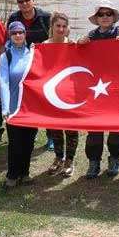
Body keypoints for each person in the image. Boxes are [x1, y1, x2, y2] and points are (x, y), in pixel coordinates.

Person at [77, 1, 119, 178]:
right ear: (97, 18)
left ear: (113, 16)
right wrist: (79, 44)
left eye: (108, 14)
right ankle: (93, 162)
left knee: (116, 127)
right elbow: (76, 56)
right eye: (101, 14)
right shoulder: (91, 36)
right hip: (96, 89)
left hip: (117, 89)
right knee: (94, 128)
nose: (105, 17)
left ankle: (114, 158)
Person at [6, 0, 52, 150]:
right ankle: (24, 124)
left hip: (44, 63)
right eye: (21, 1)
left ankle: (51, 135)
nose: (24, 4)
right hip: (23, 61)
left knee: (46, 97)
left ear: (33, 1)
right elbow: (9, 40)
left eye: (27, 0)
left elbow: (55, 38)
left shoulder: (46, 17)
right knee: (27, 96)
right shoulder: (14, 18)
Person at [0, 21, 38, 188]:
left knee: (29, 142)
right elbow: (4, 82)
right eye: (14, 33)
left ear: (25, 34)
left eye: (20, 32)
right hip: (14, 108)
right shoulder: (5, 56)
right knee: (15, 143)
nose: (17, 35)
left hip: (31, 108)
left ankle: (25, 173)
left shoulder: (34, 54)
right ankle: (12, 175)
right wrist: (5, 108)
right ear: (10, 35)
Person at [43, 12, 80, 177]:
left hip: (70, 94)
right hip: (51, 93)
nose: (61, 29)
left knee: (71, 129)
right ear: (52, 27)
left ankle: (70, 161)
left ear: (68, 29)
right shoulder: (43, 46)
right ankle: (58, 157)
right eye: (58, 26)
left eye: (64, 26)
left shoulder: (73, 45)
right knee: (55, 128)